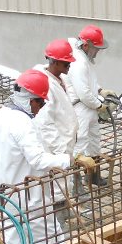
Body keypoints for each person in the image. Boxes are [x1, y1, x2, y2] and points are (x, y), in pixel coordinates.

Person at [0, 69, 95, 244]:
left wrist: (7, 160)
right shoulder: (22, 123)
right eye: (39, 103)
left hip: (4, 193)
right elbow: (39, 160)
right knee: (50, 243)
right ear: (30, 100)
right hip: (29, 198)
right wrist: (72, 159)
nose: (40, 109)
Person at [35, 39, 79, 215]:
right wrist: (60, 151)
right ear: (54, 61)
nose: (69, 64)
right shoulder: (45, 84)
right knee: (57, 186)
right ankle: (58, 222)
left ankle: (63, 216)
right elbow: (45, 123)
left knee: (63, 183)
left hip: (65, 140)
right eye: (65, 62)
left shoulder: (60, 78)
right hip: (55, 145)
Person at [64, 24, 111, 188]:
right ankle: (78, 185)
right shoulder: (78, 63)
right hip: (80, 108)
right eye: (95, 48)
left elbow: (89, 83)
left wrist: (100, 90)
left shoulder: (85, 60)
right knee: (81, 143)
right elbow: (83, 92)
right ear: (86, 45)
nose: (97, 51)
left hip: (89, 107)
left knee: (94, 142)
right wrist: (100, 105)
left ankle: (93, 177)